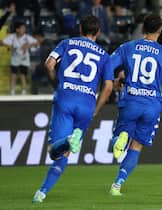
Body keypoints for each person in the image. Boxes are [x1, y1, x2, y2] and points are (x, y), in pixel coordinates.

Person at [107, 14, 162, 196]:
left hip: (131, 100)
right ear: (160, 31)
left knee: (119, 137)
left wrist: (114, 80)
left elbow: (108, 64)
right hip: (152, 105)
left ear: (143, 29)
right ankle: (117, 185)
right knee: (136, 146)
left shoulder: (127, 47)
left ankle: (121, 137)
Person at [32, 15, 114, 203]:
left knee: (55, 150)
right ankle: (42, 192)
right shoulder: (104, 55)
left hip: (66, 98)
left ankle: (43, 191)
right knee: (67, 153)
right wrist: (96, 109)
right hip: (87, 104)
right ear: (98, 32)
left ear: (80, 29)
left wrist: (57, 84)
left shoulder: (67, 43)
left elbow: (49, 64)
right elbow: (108, 87)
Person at [0, 21, 38, 95]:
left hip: (24, 59)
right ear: (17, 29)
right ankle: (12, 91)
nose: (24, 30)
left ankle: (24, 90)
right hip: (15, 58)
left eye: (24, 28)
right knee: (13, 74)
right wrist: (10, 46)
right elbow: (2, 42)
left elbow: (36, 42)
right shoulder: (12, 36)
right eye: (22, 28)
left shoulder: (27, 37)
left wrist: (28, 45)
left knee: (22, 74)